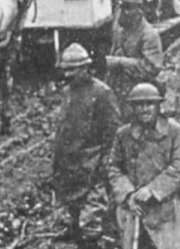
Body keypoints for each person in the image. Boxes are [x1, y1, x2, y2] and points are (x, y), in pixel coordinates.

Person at [107, 84, 180, 249]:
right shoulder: (123, 134)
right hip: (135, 210)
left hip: (166, 209)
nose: (144, 109)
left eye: (149, 104)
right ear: (132, 108)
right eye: (139, 105)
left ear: (158, 106)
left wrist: (152, 190)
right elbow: (114, 168)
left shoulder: (174, 131)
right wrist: (128, 195)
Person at [51, 43, 120, 249]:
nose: (68, 75)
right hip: (67, 169)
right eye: (66, 70)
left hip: (91, 168)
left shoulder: (102, 93)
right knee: (65, 226)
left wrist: (104, 165)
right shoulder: (67, 93)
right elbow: (62, 131)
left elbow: (112, 135)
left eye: (73, 70)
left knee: (91, 227)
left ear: (85, 68)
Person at [105, 0, 164, 110]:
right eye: (121, 7)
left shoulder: (149, 34)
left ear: (139, 10)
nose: (123, 12)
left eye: (128, 8)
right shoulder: (120, 30)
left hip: (138, 93)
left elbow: (153, 67)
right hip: (117, 88)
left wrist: (120, 62)